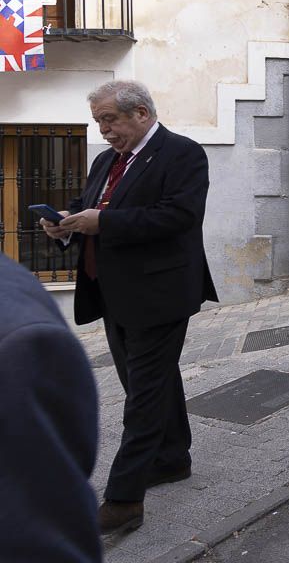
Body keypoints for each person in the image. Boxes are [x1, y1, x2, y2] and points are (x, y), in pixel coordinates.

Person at [39, 80, 218, 536]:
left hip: (160, 295)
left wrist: (104, 222)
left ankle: (123, 499)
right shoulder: (106, 161)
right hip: (112, 292)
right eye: (99, 121)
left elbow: (178, 216)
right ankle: (171, 459)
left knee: (143, 395)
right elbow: (89, 206)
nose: (103, 130)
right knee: (150, 382)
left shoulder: (183, 153)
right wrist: (67, 224)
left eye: (109, 119)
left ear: (140, 113)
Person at [0, 255, 102, 561]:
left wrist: (100, 224)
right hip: (118, 304)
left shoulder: (19, 345)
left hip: (154, 297)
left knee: (150, 390)